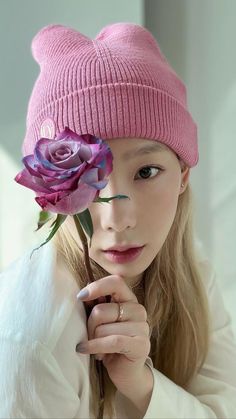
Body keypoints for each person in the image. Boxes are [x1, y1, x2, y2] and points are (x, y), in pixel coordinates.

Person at [0, 21, 236, 419]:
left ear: (183, 175)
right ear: (53, 191)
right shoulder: (32, 336)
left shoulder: (189, 268)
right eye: (87, 179)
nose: (117, 218)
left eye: (146, 172)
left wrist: (140, 386)